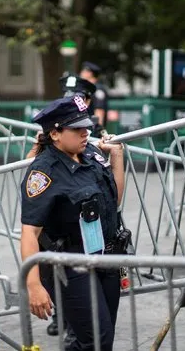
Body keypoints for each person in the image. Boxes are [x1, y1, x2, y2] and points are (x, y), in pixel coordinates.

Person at [21, 95, 126, 351]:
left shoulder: (90, 153)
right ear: (55, 134)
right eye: (77, 128)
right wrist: (33, 284)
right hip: (70, 265)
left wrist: (117, 159)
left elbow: (115, 201)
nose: (85, 132)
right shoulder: (43, 172)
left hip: (106, 258)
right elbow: (29, 232)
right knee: (96, 339)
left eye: (86, 126)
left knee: (102, 338)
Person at [79, 62, 109, 132]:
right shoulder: (87, 89)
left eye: (84, 71)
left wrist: (97, 131)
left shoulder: (98, 90)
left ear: (90, 73)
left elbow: (99, 111)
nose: (81, 73)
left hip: (92, 130)